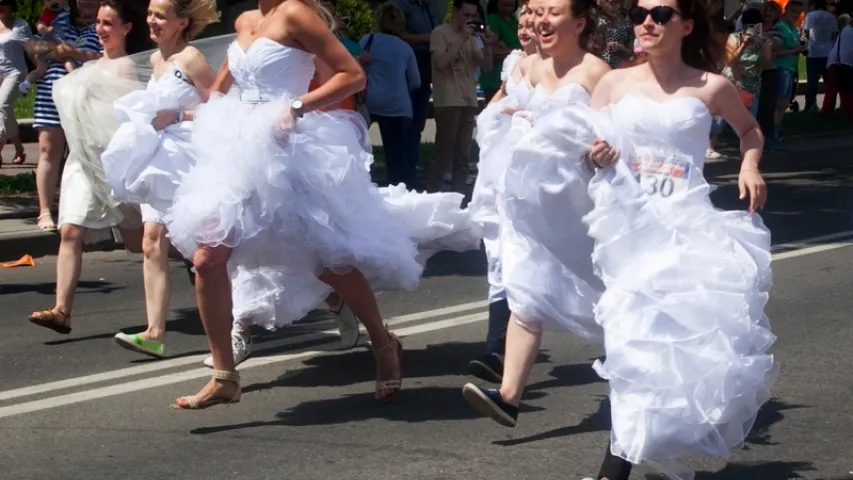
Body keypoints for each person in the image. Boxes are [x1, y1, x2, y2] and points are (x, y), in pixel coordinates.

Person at [163, 0, 423, 409]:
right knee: (208, 259)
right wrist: (185, 114)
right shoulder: (246, 20)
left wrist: (297, 106)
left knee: (327, 260)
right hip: (238, 153)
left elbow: (352, 75)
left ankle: (384, 342)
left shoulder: (296, 14)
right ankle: (224, 375)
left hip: (287, 152)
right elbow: (221, 90)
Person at [577, 0, 775, 476]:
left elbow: (749, 131)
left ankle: (615, 468)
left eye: (661, 13)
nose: (647, 21)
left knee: (659, 344)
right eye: (639, 12)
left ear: (685, 26)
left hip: (684, 227)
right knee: (628, 342)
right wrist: (596, 155)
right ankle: (630, 449)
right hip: (625, 226)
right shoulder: (612, 83)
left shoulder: (712, 86)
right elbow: (584, 149)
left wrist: (750, 165)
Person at [462, 0, 611, 427]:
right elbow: (494, 114)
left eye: (553, 12)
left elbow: (614, 135)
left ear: (579, 23)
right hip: (525, 200)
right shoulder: (525, 67)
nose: (540, 20)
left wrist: (598, 152)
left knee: (605, 291)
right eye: (537, 10)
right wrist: (505, 117)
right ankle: (508, 396)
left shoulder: (596, 73)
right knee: (523, 290)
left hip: (576, 205)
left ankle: (645, 367)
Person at [100, 0, 221, 358]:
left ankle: (230, 327)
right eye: (150, 14)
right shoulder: (155, 59)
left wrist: (179, 115)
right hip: (158, 160)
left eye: (160, 16)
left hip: (187, 161)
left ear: (182, 22)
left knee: (201, 252)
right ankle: (154, 331)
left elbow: (222, 105)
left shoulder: (192, 59)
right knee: (152, 240)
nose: (151, 21)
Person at [27, 0, 150, 334]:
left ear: (126, 28)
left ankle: (198, 265)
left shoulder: (134, 68)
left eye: (108, 23)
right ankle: (61, 310)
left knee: (140, 243)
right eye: (98, 23)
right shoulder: (87, 68)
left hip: (119, 165)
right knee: (70, 230)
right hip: (84, 163)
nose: (100, 29)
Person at [465, 1, 537, 384]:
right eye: (523, 21)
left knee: (529, 262)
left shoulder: (569, 69)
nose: (526, 28)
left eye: (535, 20)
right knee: (497, 255)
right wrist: (490, 116)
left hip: (536, 174)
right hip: (498, 169)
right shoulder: (513, 61)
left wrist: (525, 116)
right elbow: (502, 97)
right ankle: (495, 350)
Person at [0, 0, 30, 167]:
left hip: (15, 73)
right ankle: (19, 148)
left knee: (2, 105)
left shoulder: (20, 25)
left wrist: (39, 70)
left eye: (4, 1)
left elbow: (32, 49)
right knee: (6, 111)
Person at [803, 0, 838, 111]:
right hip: (827, 51)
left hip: (813, 52)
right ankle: (829, 105)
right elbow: (834, 33)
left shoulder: (810, 15)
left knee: (812, 80)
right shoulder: (830, 17)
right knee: (829, 81)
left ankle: (809, 104)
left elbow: (806, 33)